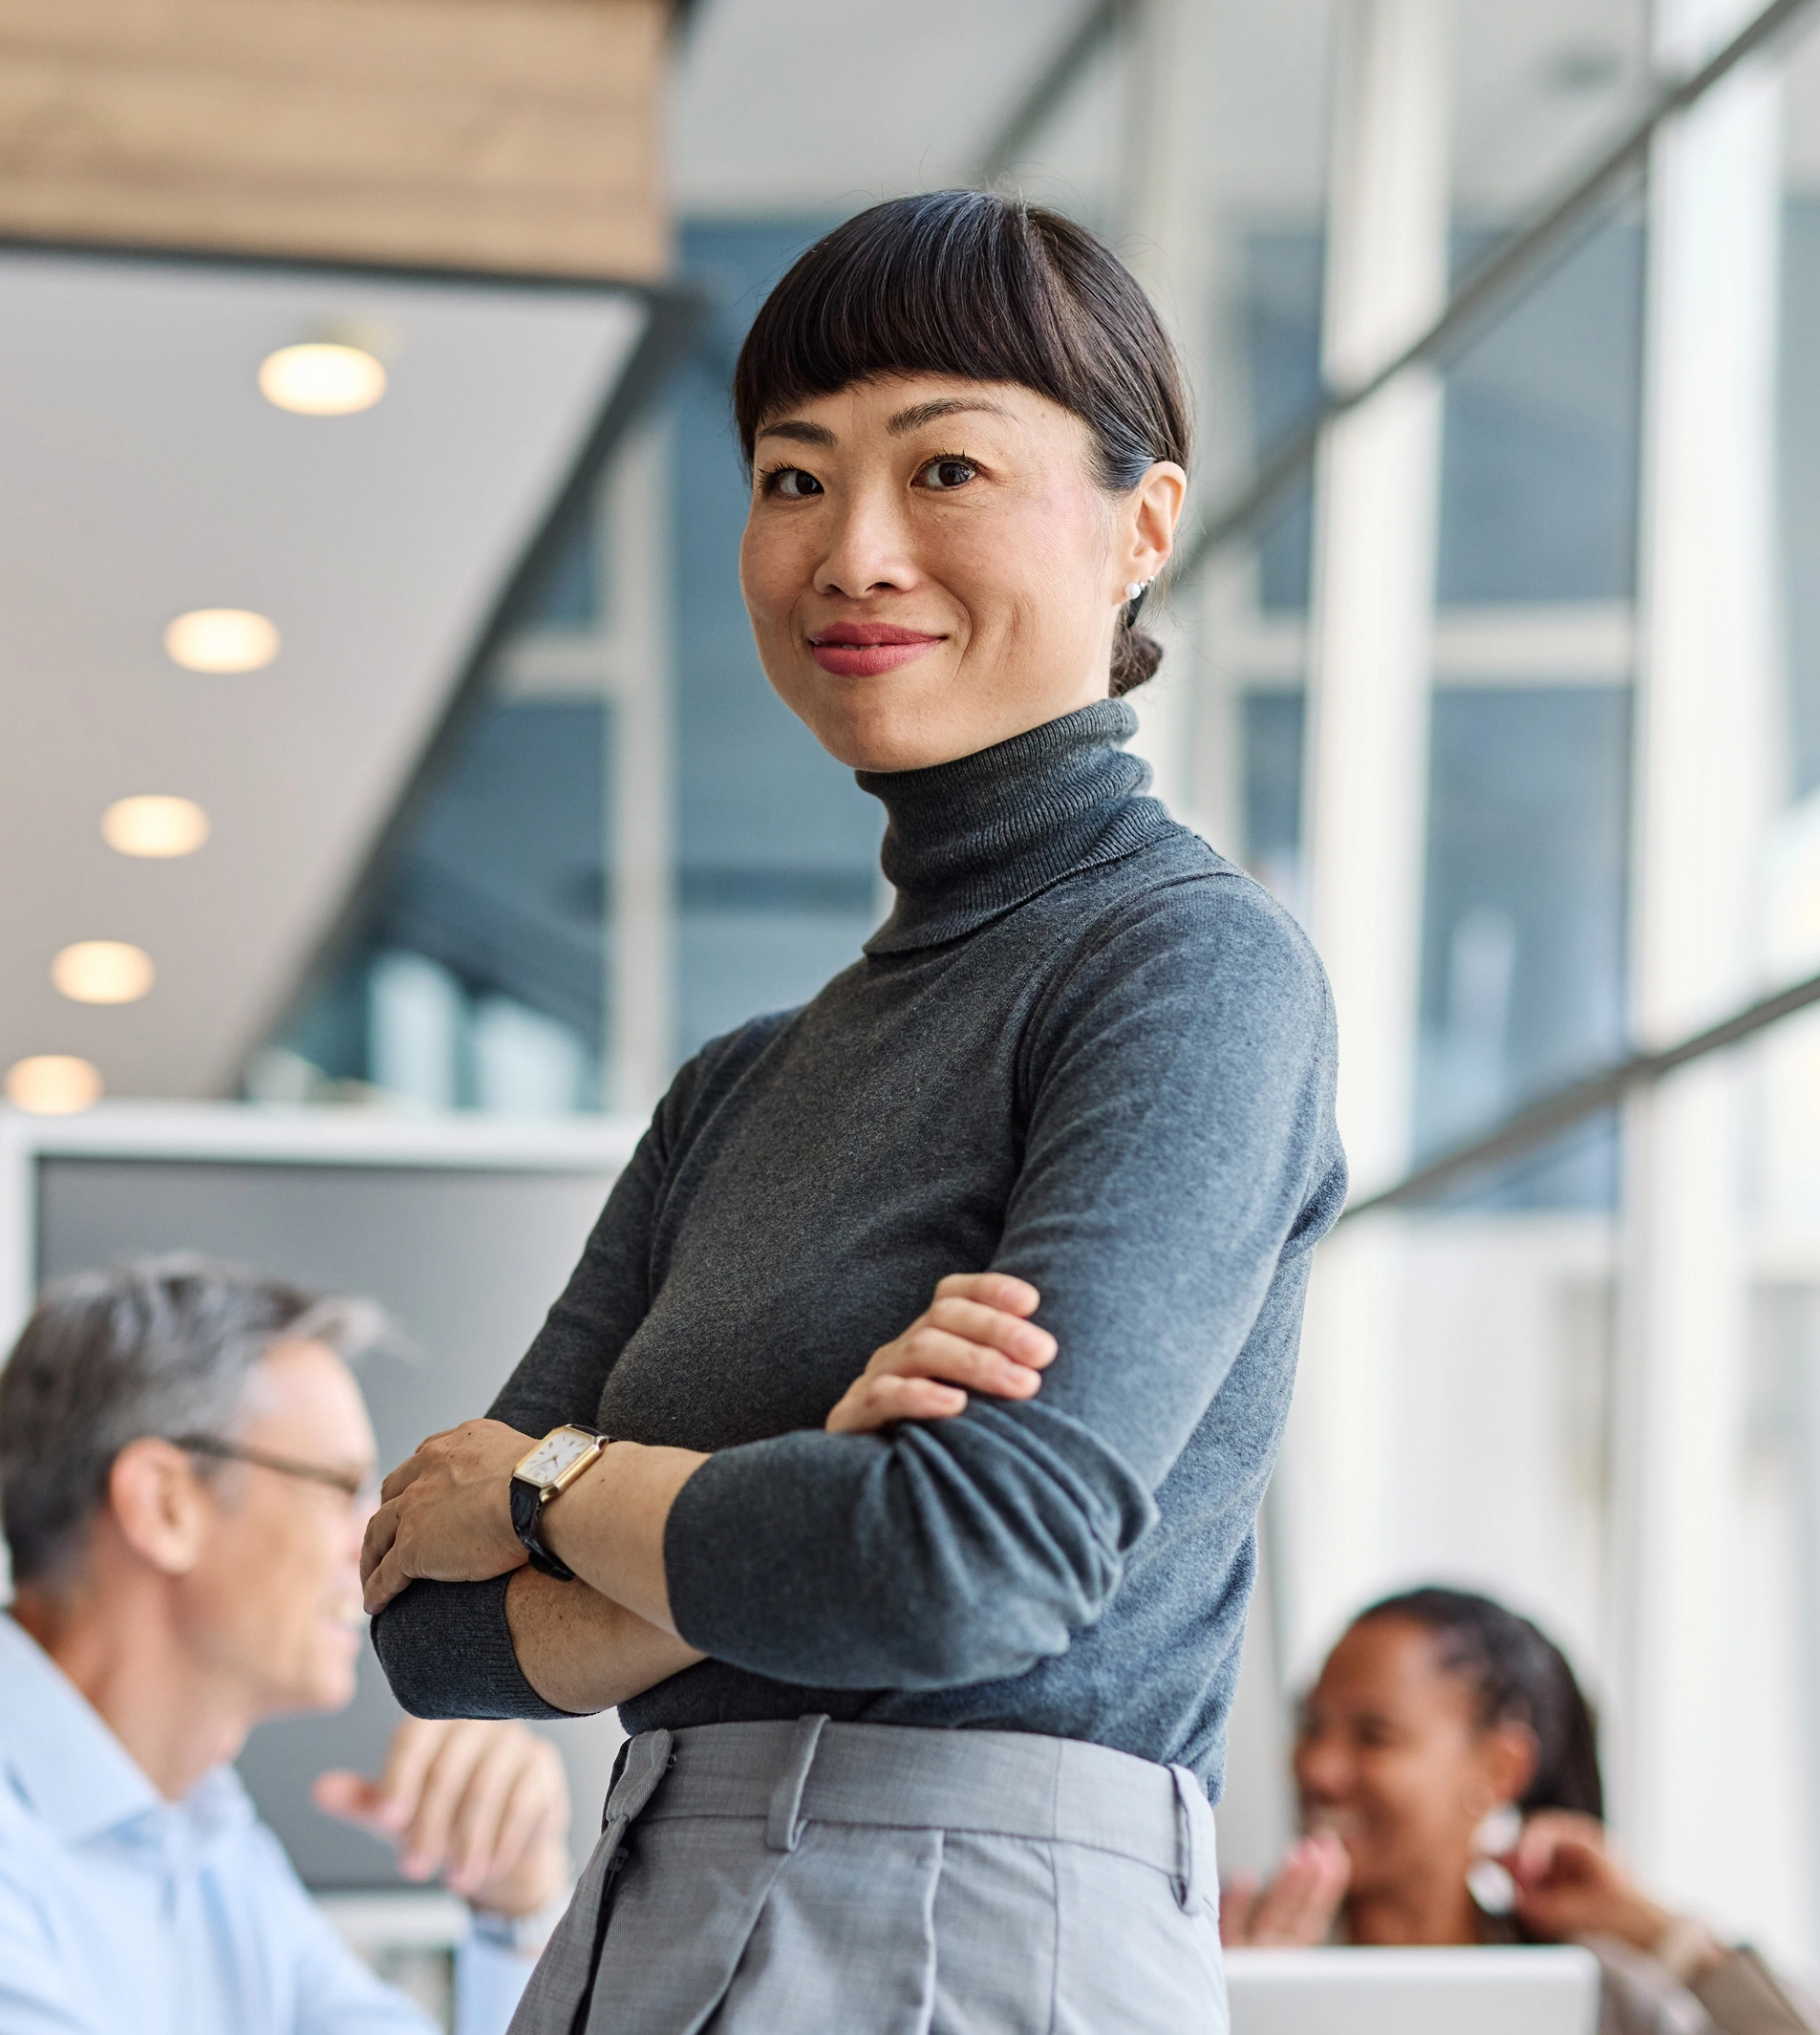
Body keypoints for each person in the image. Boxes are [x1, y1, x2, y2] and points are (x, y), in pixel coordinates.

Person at [360, 187, 1347, 2035]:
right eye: (794, 478)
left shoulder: (1191, 972)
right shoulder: (734, 1088)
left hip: (965, 1946)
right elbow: (427, 1625)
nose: (853, 551)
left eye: (946, 469)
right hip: (640, 1928)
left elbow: (972, 1563)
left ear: (1145, 527)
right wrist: (806, 1480)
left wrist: (564, 1487)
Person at [0, 1255, 577, 2035]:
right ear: (164, 1504)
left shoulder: (206, 1836)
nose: (376, 1553)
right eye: (340, 1490)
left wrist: (516, 1905)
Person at [1220, 1585, 1819, 2035]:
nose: (1316, 1768)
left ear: (1500, 1768)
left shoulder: (1595, 1995)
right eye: (1310, 1727)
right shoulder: (1237, 1958)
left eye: (1374, 1736)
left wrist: (1659, 1932)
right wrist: (1230, 2007)